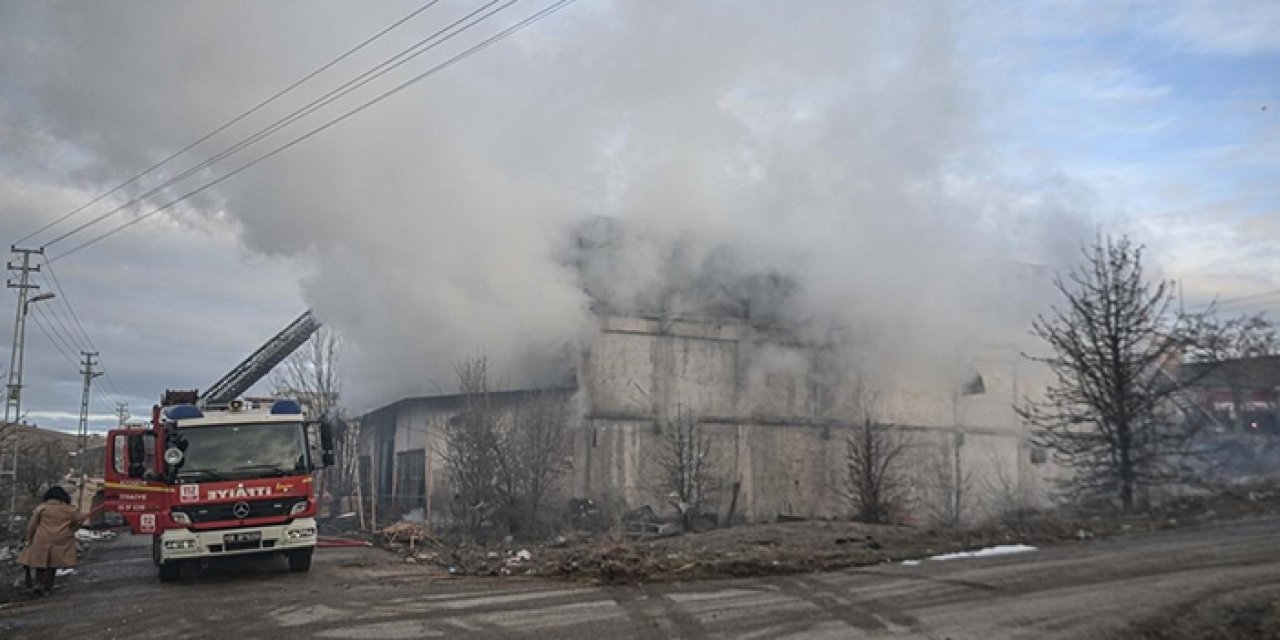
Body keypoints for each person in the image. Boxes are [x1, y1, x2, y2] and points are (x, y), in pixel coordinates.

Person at [17, 486, 83, 596]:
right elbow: (78, 522)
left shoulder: (42, 508)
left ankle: (38, 584)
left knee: (40, 563)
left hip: (41, 538)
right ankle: (47, 588)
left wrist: (29, 539)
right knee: (53, 565)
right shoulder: (69, 510)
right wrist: (71, 530)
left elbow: (32, 525)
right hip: (60, 540)